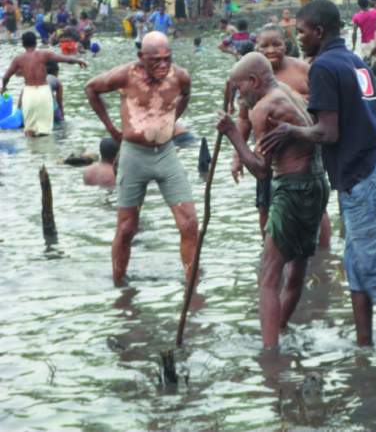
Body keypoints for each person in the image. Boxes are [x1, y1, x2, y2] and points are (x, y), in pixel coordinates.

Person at [259, 0, 376, 346]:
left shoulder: (322, 67)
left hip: (363, 174)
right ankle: (363, 344)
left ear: (319, 32)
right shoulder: (353, 60)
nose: (298, 39)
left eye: (301, 32)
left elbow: (327, 132)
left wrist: (292, 131)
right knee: (356, 264)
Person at [217, 53, 329, 349]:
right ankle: (276, 330)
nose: (241, 96)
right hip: (318, 184)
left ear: (253, 82)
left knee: (268, 274)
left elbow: (261, 171)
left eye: (241, 89)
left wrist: (233, 135)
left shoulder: (263, 109)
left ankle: (269, 354)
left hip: (292, 189)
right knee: (296, 268)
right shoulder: (287, 92)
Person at [84, 31, 198, 284]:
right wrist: (113, 130)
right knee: (126, 229)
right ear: (141, 57)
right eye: (155, 60)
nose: (162, 65)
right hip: (134, 155)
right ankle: (119, 286)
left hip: (166, 154)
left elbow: (187, 94)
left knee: (189, 223)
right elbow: (91, 88)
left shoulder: (179, 76)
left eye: (167, 58)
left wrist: (170, 120)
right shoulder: (126, 75)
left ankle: (192, 286)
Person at [230, 24, 331, 246]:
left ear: (287, 44)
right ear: (256, 50)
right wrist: (237, 156)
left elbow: (323, 107)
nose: (271, 50)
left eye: (276, 44)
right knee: (265, 205)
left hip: (301, 156)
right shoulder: (248, 79)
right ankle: (271, 248)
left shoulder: (302, 69)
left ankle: (324, 257)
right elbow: (244, 119)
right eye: (264, 46)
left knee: (317, 211)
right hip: (268, 151)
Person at [1, 32, 86, 136]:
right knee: (46, 130)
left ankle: (32, 151)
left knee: (29, 130)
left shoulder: (18, 59)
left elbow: (6, 77)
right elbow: (65, 59)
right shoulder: (44, 54)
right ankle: (45, 151)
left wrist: (4, 88)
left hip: (29, 93)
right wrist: (78, 60)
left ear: (23, 44)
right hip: (44, 92)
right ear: (36, 43)